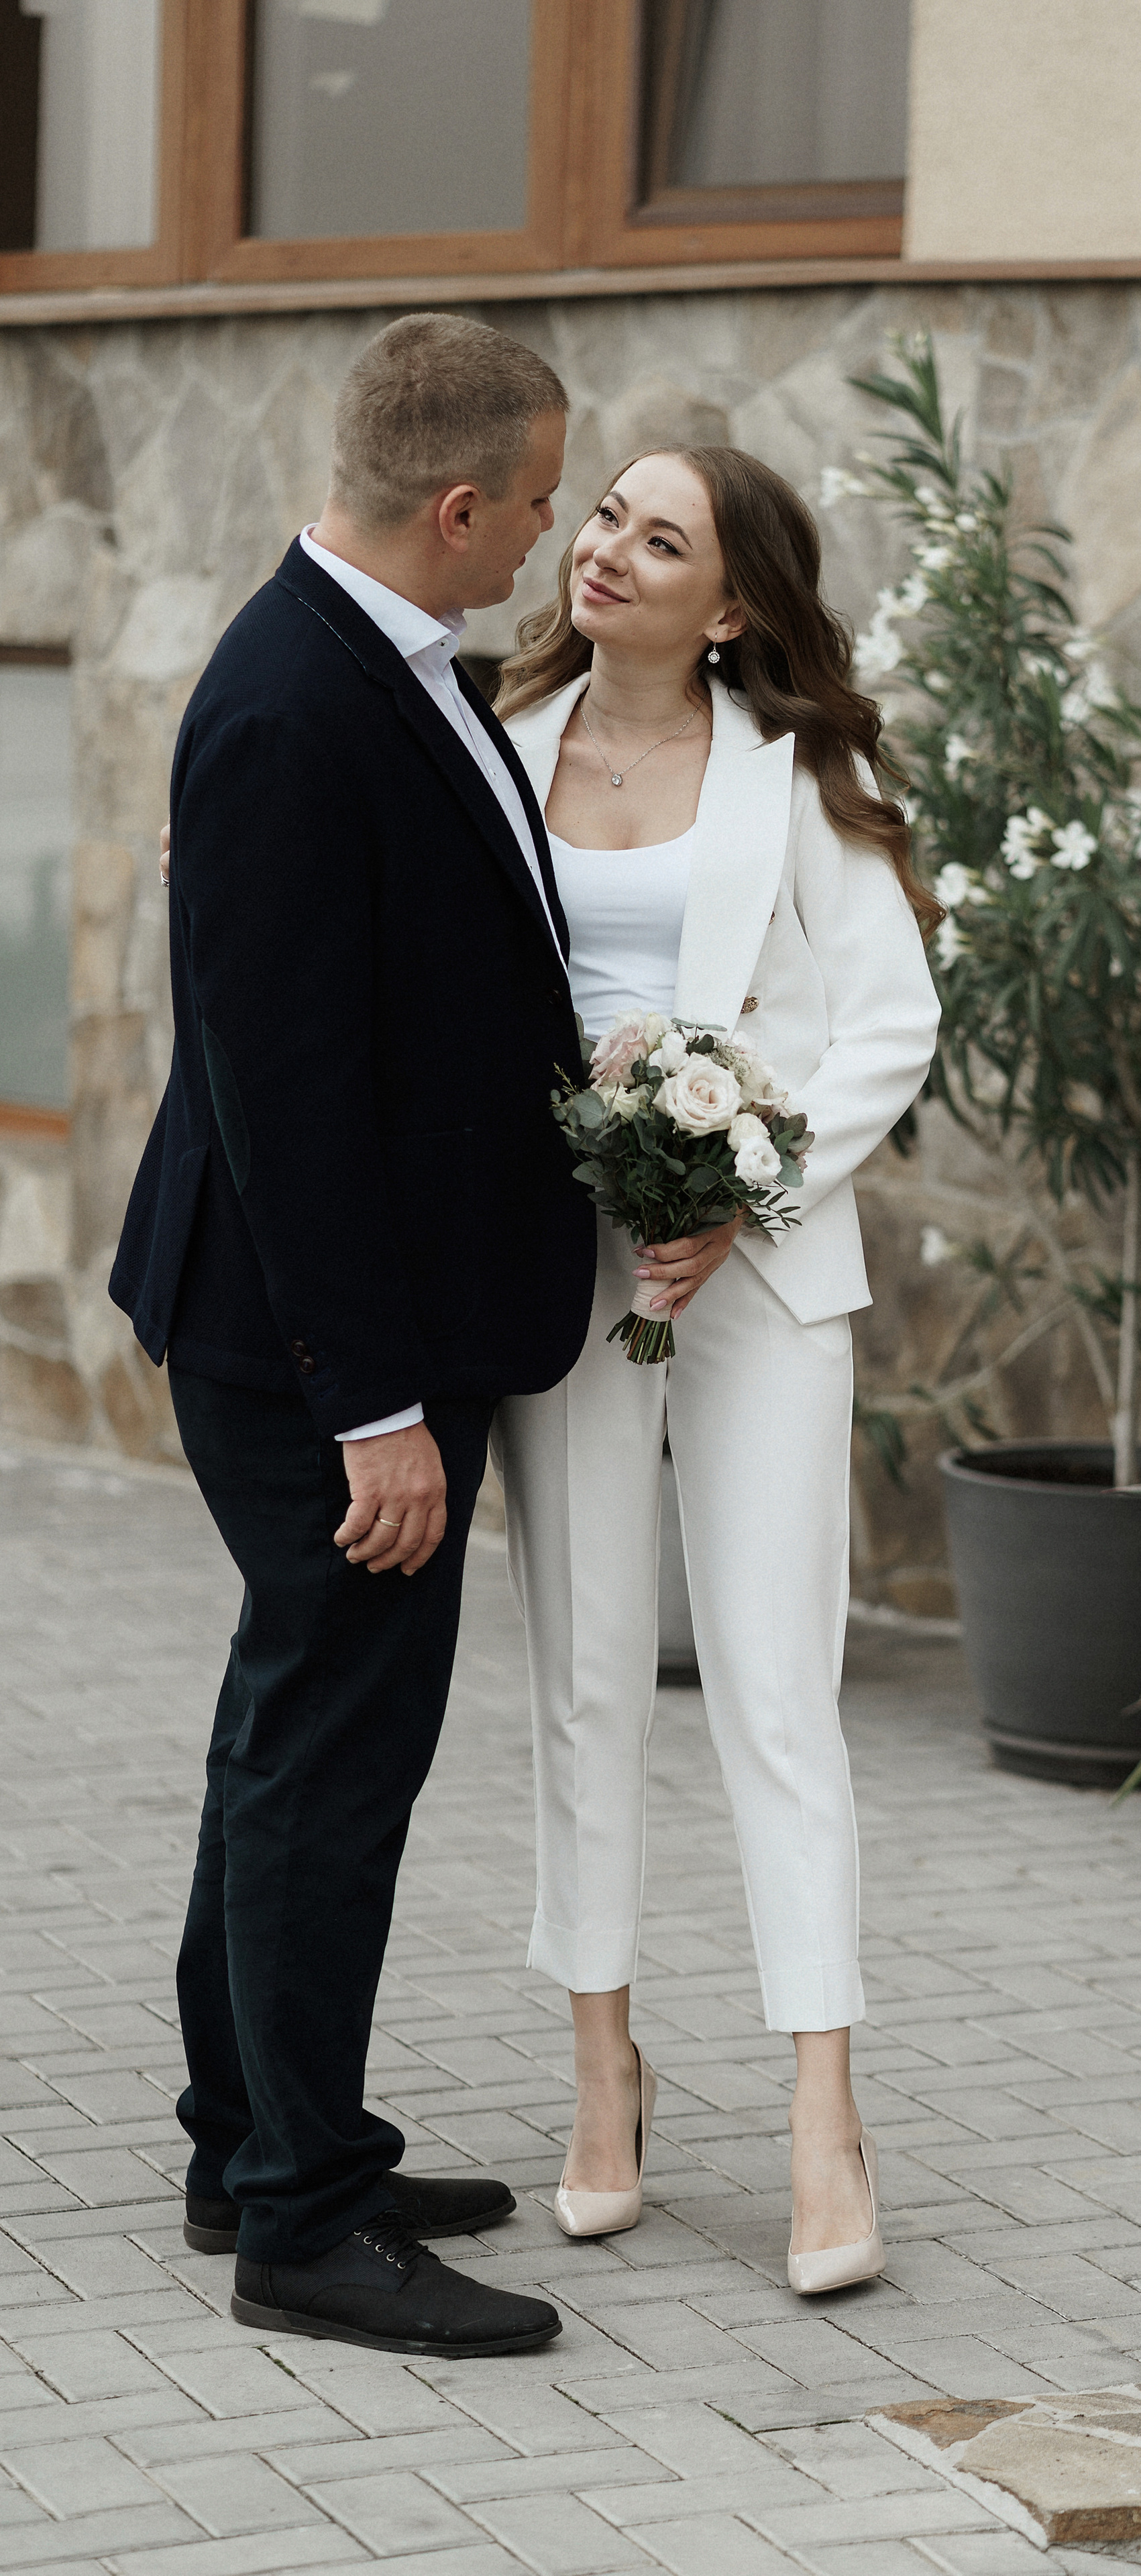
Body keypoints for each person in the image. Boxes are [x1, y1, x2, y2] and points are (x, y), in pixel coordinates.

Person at [111, 313, 597, 2357]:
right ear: (458, 501)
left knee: (286, 1727)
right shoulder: (292, 709)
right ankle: (302, 2227)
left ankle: (258, 2132)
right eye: (543, 498)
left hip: (350, 1331)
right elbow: (282, 1096)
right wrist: (373, 1410)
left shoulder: (385, 662)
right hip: (318, 1347)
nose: (555, 531)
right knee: (333, 1756)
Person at [491, 445, 942, 2294]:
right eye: (603, 517)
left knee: (776, 1688)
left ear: (733, 602)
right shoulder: (491, 749)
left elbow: (891, 1020)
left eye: (658, 539)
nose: (605, 550)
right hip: (554, 1271)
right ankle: (605, 2067)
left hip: (758, 1270)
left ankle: (824, 2115)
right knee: (587, 1679)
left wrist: (745, 1190)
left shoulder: (802, 780)